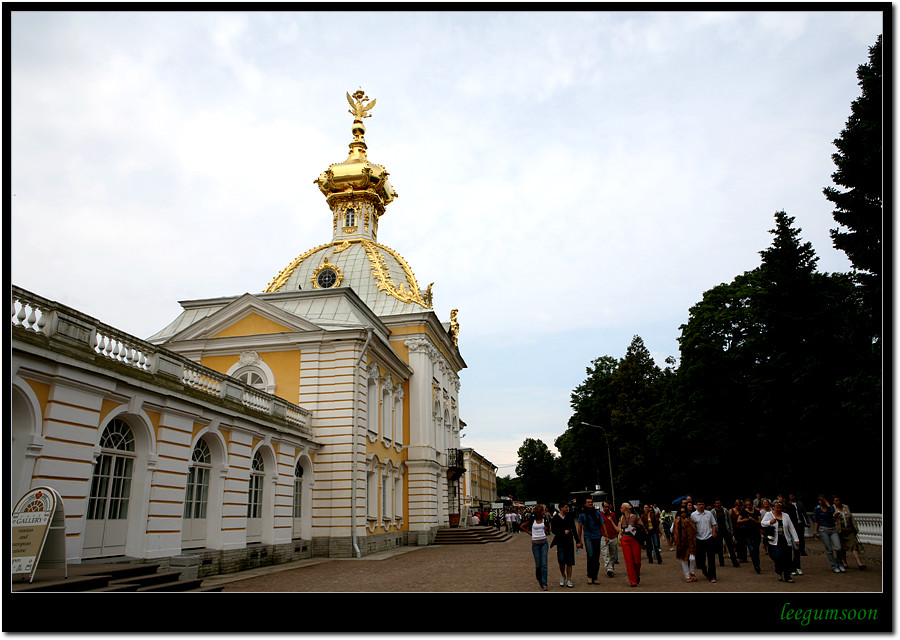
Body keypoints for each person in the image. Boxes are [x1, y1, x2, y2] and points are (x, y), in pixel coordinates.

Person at [761, 500, 800, 583]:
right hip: (774, 540)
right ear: (774, 507)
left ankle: (787, 575)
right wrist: (770, 522)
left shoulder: (786, 516)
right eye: (777, 507)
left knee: (787, 558)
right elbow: (762, 523)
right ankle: (779, 570)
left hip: (785, 539)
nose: (779, 509)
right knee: (778, 557)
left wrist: (796, 539)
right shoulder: (769, 514)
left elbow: (791, 528)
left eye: (780, 507)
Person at [575, 497, 607, 584]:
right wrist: (579, 540)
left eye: (591, 502)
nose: (590, 503)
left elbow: (602, 524)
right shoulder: (582, 514)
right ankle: (589, 575)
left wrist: (606, 535)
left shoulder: (597, 513)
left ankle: (595, 576)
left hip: (597, 536)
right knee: (590, 555)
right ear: (585, 504)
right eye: (588, 502)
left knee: (596, 557)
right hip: (588, 536)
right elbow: (579, 527)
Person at [832, 495, 867, 570]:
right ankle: (844, 562)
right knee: (842, 547)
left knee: (854, 545)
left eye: (839, 500)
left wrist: (855, 528)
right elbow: (831, 519)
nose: (838, 502)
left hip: (849, 529)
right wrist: (834, 516)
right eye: (836, 500)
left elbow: (851, 517)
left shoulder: (845, 507)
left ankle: (859, 563)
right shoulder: (832, 508)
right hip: (840, 530)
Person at [521, 503, 551, 590]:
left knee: (544, 564)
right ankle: (540, 579)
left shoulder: (544, 519)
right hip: (535, 543)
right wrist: (531, 534)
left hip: (544, 542)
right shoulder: (532, 520)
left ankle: (545, 583)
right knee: (538, 565)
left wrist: (544, 531)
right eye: (542, 511)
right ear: (539, 511)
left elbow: (547, 526)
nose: (544, 512)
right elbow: (522, 526)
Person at [550, 501, 580, 588]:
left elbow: (574, 529)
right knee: (561, 560)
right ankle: (563, 575)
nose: (567, 508)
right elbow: (553, 530)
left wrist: (577, 541)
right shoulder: (555, 518)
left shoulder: (570, 517)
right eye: (566, 507)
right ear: (561, 508)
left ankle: (569, 579)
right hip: (560, 541)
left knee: (569, 561)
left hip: (569, 541)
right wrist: (562, 532)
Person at [813, 495, 844, 573]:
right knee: (829, 549)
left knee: (838, 547)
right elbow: (816, 520)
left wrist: (826, 502)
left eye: (822, 500)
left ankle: (840, 563)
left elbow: (833, 510)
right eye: (820, 500)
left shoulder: (829, 508)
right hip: (823, 529)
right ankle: (834, 565)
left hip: (832, 528)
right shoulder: (817, 509)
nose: (821, 502)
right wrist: (815, 531)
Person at [690, 500, 718, 583]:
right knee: (700, 559)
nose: (701, 506)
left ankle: (712, 576)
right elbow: (692, 527)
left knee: (711, 558)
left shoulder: (709, 513)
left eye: (702, 504)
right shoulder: (693, 515)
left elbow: (713, 524)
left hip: (709, 537)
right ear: (696, 505)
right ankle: (705, 571)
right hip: (699, 538)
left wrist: (713, 533)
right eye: (699, 504)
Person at [618, 503, 644, 587]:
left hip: (634, 539)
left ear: (625, 508)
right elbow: (619, 529)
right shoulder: (621, 518)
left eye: (621, 507)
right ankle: (633, 581)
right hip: (625, 539)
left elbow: (642, 526)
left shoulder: (635, 516)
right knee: (629, 561)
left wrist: (635, 527)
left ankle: (637, 575)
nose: (620, 509)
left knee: (637, 561)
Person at [712, 499, 740, 568]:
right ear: (714, 504)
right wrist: (714, 531)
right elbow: (712, 522)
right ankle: (721, 561)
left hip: (726, 529)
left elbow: (729, 520)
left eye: (719, 503)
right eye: (717, 503)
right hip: (718, 530)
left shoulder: (725, 510)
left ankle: (734, 562)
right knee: (720, 547)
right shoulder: (713, 512)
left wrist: (731, 530)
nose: (718, 504)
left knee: (730, 546)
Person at [672, 507, 697, 582]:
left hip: (691, 541)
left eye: (684, 512)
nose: (683, 513)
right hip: (682, 542)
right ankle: (687, 576)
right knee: (684, 560)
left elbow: (694, 529)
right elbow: (672, 530)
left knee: (692, 558)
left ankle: (692, 572)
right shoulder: (677, 520)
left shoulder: (690, 520)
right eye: (682, 512)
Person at [737, 499, 762, 573]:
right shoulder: (744, 512)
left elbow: (760, 521)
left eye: (749, 505)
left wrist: (753, 520)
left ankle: (757, 564)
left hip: (756, 533)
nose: (748, 506)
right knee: (751, 549)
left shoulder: (757, 512)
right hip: (747, 533)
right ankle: (756, 565)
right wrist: (746, 519)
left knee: (756, 549)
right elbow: (738, 520)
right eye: (747, 505)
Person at [598, 502, 621, 577]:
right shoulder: (600, 515)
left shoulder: (613, 514)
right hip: (604, 536)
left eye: (608, 507)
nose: (607, 508)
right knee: (606, 553)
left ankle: (611, 568)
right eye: (605, 507)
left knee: (613, 554)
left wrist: (617, 533)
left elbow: (615, 523)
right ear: (603, 507)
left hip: (613, 536)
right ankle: (609, 569)